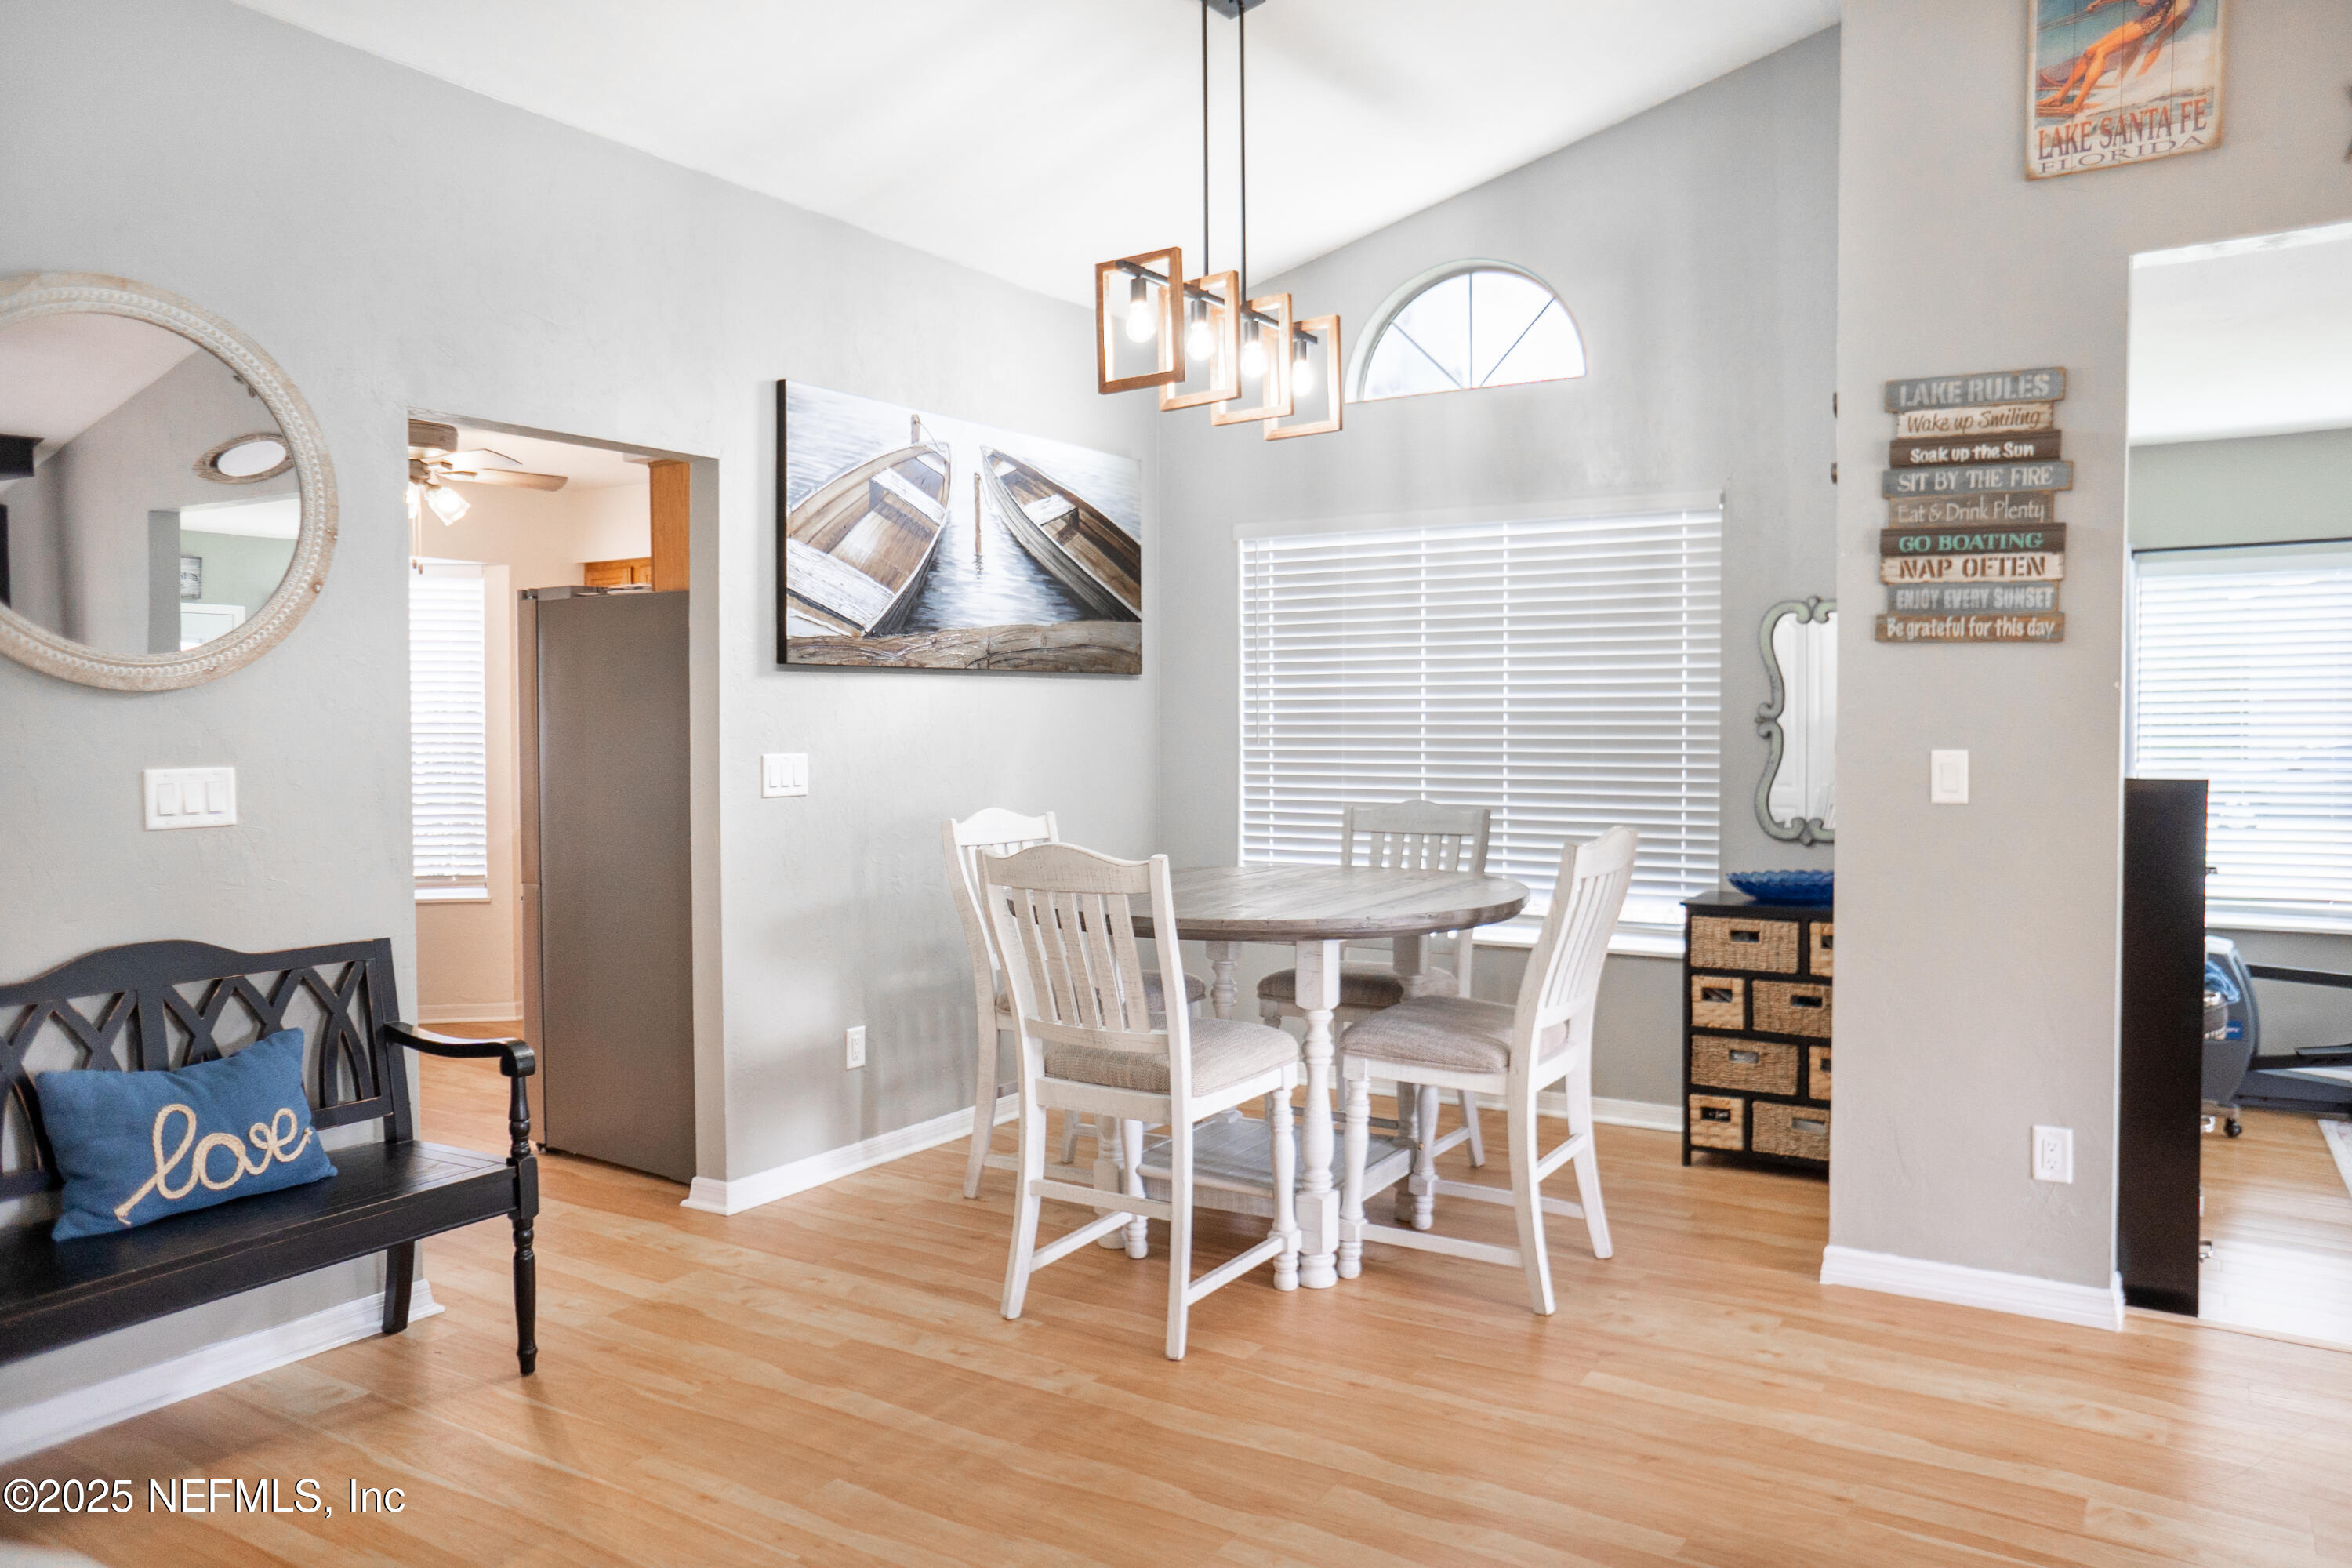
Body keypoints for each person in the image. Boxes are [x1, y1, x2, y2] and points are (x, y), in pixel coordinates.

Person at [2036, 0, 2201, 119]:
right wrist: (2100, 2)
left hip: (2149, 23)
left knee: (2101, 52)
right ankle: (2060, 96)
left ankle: (2078, 103)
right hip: (2143, 19)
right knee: (2089, 51)